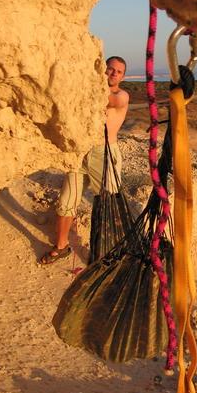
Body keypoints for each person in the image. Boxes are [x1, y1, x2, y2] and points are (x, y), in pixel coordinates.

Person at [39, 56, 130, 265]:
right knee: (66, 201)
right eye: (110, 69)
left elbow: (110, 100)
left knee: (108, 203)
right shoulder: (89, 93)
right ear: (103, 69)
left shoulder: (121, 95)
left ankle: (106, 253)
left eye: (119, 71)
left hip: (104, 153)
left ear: (123, 77)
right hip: (81, 151)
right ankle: (61, 247)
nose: (114, 73)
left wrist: (86, 80)